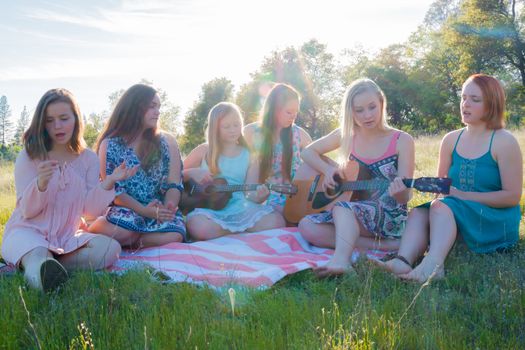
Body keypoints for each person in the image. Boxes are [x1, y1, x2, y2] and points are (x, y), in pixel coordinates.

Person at [376, 73, 523, 282]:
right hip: (457, 214)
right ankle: (402, 262)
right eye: (463, 97)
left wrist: (462, 196)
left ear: (492, 104)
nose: (465, 104)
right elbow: (441, 188)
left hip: (493, 218)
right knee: (419, 212)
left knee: (440, 207)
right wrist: (411, 190)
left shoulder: (504, 141)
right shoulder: (451, 139)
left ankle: (434, 267)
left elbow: (512, 197)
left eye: (475, 99)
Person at [1, 88, 129, 292]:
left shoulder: (88, 159)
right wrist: (41, 183)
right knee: (37, 253)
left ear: (76, 119)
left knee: (110, 249)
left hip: (67, 237)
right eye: (50, 120)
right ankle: (40, 268)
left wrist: (109, 182)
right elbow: (27, 212)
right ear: (42, 123)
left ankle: (44, 267)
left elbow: (88, 211)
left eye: (63, 118)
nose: (57, 126)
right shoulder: (29, 155)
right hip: (26, 232)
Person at [298, 78, 415, 277]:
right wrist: (327, 170)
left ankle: (340, 261)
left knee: (341, 208)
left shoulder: (401, 140)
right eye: (359, 110)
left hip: (388, 214)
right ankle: (387, 246)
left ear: (381, 103)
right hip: (353, 209)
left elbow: (405, 198)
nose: (367, 115)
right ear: (350, 111)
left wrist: (400, 193)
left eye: (372, 107)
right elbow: (307, 152)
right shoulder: (347, 135)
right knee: (307, 226)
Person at [89, 84, 187, 247]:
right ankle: (103, 228)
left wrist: (167, 208)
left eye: (159, 107)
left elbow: (174, 184)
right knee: (125, 231)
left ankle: (133, 242)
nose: (158, 112)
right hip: (127, 208)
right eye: (152, 106)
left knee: (174, 235)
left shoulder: (167, 141)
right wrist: (143, 210)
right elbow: (116, 192)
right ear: (134, 108)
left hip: (158, 208)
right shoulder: (110, 144)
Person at [183, 102, 284, 240]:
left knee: (276, 221)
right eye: (226, 126)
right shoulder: (204, 151)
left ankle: (227, 231)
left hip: (239, 206)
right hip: (208, 208)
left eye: (236, 125)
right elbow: (176, 177)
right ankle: (240, 230)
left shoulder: (250, 156)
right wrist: (192, 172)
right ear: (215, 128)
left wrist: (260, 196)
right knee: (198, 226)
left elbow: (250, 194)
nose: (233, 130)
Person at [243, 83, 312, 213]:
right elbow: (247, 175)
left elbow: (314, 166)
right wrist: (255, 196)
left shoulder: (300, 135)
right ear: (274, 109)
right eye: (289, 112)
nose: (293, 116)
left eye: (296, 112)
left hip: (297, 197)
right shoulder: (251, 132)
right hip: (266, 198)